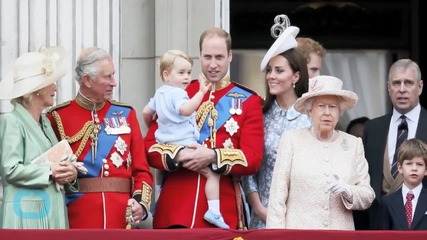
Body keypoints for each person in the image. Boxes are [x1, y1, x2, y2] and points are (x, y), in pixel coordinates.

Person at [145, 27, 264, 229]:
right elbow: (149, 146)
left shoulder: (248, 101)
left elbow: (252, 158)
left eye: (219, 57)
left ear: (230, 56)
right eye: (207, 57)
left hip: (221, 210)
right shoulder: (179, 92)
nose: (213, 64)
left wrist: (213, 156)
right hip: (175, 207)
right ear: (199, 56)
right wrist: (180, 156)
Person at [47, 47, 153, 229]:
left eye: (114, 75)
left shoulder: (126, 114)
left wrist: (140, 204)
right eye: (107, 77)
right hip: (77, 218)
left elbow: (142, 171)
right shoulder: (57, 117)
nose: (114, 83)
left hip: (121, 219)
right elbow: (49, 171)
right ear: (87, 80)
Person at [266, 75, 375, 230]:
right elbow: (277, 197)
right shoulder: (292, 140)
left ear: (339, 111)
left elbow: (368, 195)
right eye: (321, 106)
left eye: (333, 107)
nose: (327, 113)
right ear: (310, 110)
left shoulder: (353, 144)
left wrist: (348, 190)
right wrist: (276, 236)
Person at [142, 50, 228, 228]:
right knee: (212, 174)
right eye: (181, 73)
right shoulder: (179, 93)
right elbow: (186, 110)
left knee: (160, 171)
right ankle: (214, 210)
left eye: (188, 73)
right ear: (166, 75)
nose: (187, 78)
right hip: (183, 144)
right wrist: (201, 93)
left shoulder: (159, 93)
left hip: (164, 142)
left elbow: (146, 112)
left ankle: (158, 198)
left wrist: (153, 123)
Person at [241, 15, 311, 229]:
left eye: (279, 70)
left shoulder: (310, 118)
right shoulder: (259, 115)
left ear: (296, 76)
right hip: (262, 218)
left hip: (301, 219)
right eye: (270, 70)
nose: (271, 76)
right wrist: (259, 208)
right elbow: (248, 168)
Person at [0, 47, 78, 228]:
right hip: (26, 216)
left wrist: (69, 173)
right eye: (50, 82)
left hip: (53, 213)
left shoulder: (45, 122)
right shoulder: (11, 121)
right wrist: (51, 171)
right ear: (36, 90)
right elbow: (10, 170)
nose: (55, 87)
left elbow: (56, 161)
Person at [361, 59, 427, 230]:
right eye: (396, 83)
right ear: (388, 87)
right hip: (377, 225)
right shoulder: (372, 129)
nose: (402, 89)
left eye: (409, 83)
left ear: (420, 87)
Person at [379, 138, 427, 230]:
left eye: (419, 164)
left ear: (426, 170)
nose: (414, 168)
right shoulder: (387, 203)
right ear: (400, 167)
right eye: (409, 163)